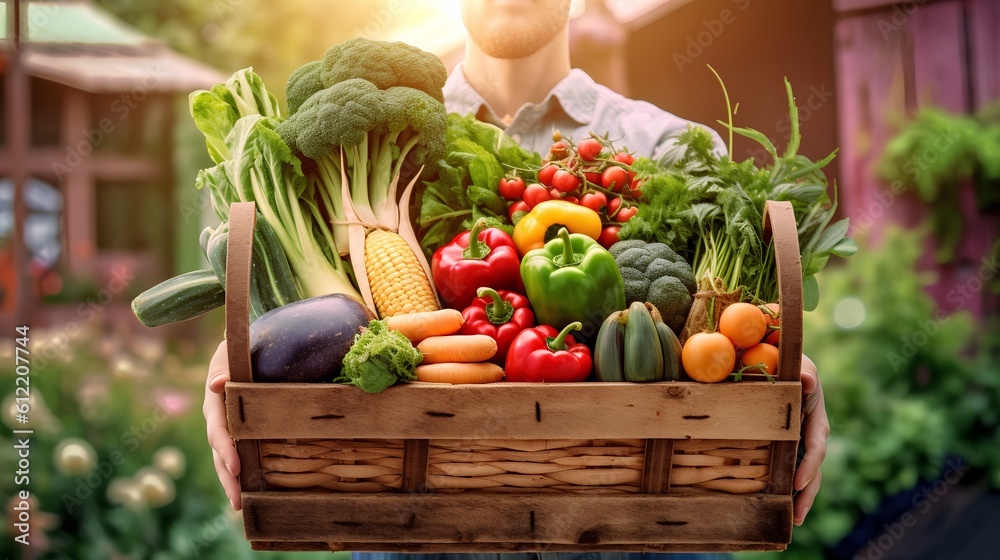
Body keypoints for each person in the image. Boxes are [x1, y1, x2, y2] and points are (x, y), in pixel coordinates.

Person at [203, 0, 830, 557]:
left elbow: (745, 332)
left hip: (642, 532)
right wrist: (250, 350)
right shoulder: (368, 152)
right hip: (411, 529)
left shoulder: (672, 148)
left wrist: (788, 365)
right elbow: (315, 312)